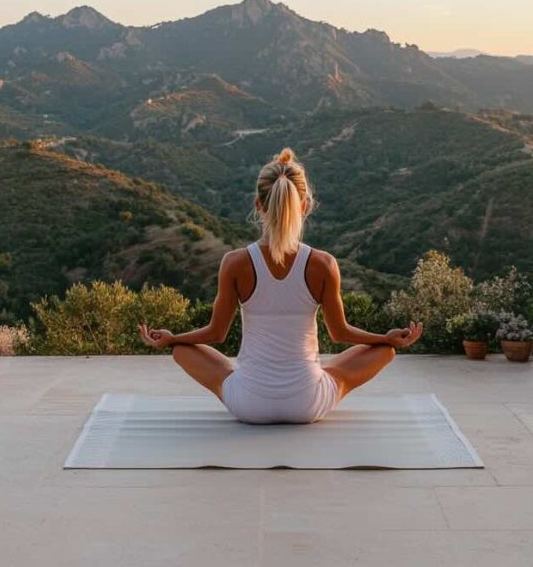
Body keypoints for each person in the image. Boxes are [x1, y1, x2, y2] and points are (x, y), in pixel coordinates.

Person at [139, 147, 422, 424]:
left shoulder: (234, 263)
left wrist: (171, 338)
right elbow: (340, 333)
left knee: (182, 350)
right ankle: (328, 373)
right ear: (305, 205)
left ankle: (196, 355)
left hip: (249, 404)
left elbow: (216, 333)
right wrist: (386, 338)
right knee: (382, 352)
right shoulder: (323, 264)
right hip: (307, 403)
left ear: (258, 205)